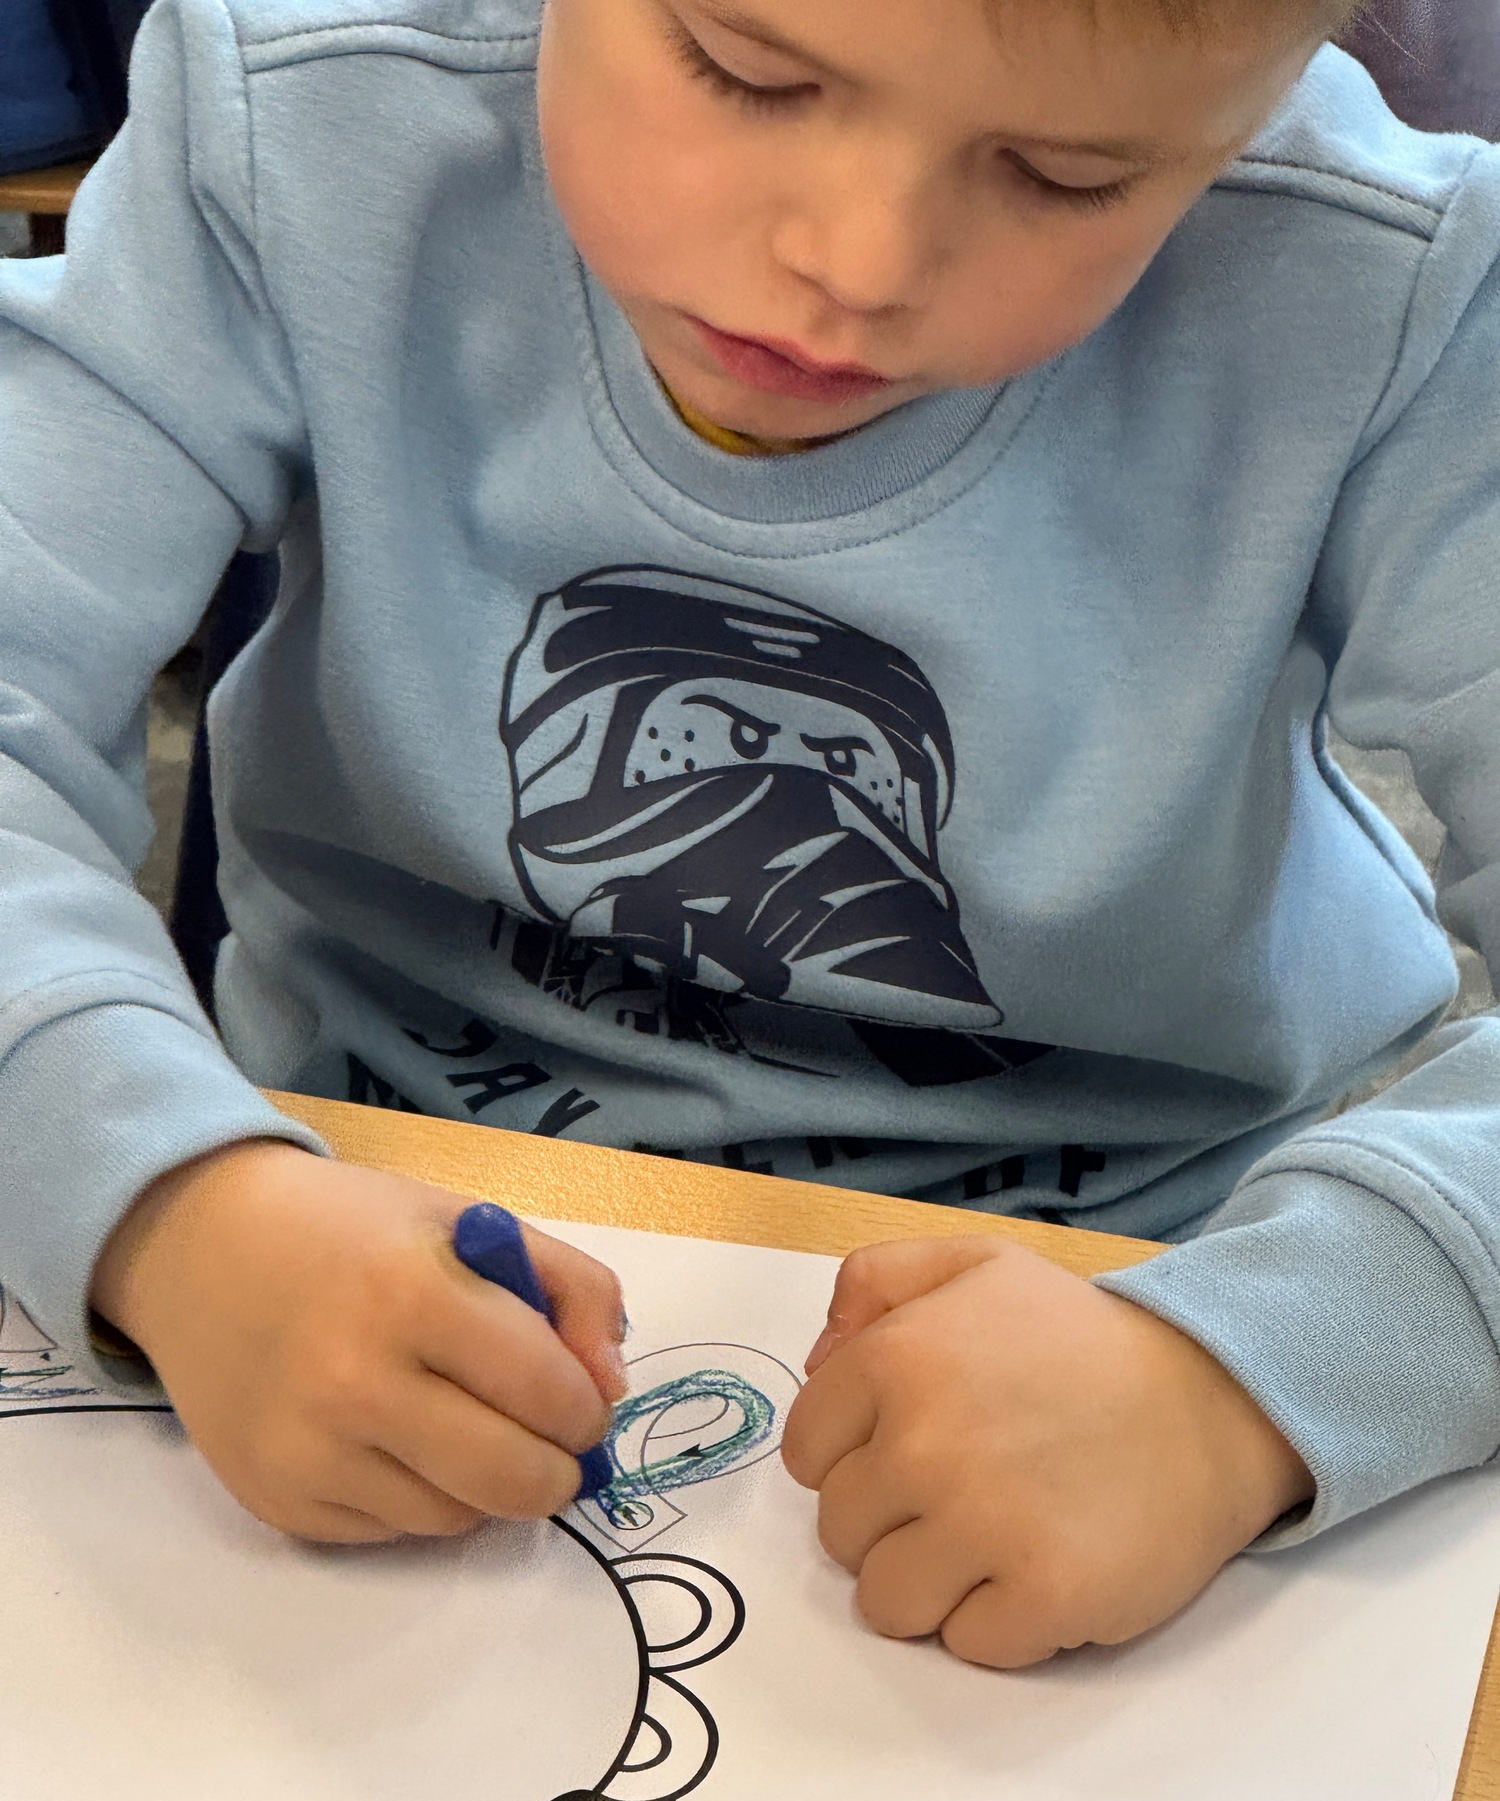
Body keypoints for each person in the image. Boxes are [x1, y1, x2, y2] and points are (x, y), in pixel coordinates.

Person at [1, 0, 1497, 1670]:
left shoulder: (1398, 292)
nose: (857, 264)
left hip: (1151, 1266)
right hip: (347, 1196)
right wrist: (163, 1199)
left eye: (1068, 175)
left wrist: (1256, 1368)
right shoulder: (295, 115)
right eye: (748, 73)